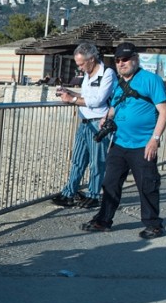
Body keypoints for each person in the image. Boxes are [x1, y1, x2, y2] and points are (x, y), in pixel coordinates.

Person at [81, 42, 166, 239]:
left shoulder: (151, 80)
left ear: (135, 60)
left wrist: (154, 140)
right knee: (110, 183)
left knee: (147, 185)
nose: (121, 63)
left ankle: (154, 225)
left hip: (143, 144)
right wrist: (107, 118)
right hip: (120, 143)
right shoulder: (118, 83)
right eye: (118, 60)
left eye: (125, 59)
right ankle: (103, 220)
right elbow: (114, 107)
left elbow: (165, 111)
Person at [50, 42, 116, 209]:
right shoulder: (87, 75)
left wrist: (72, 100)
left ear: (91, 59)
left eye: (81, 64)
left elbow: (98, 100)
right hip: (84, 122)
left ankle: (94, 195)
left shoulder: (107, 74)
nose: (79, 67)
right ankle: (69, 193)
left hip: (99, 123)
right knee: (78, 160)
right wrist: (71, 93)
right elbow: (86, 96)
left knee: (97, 162)